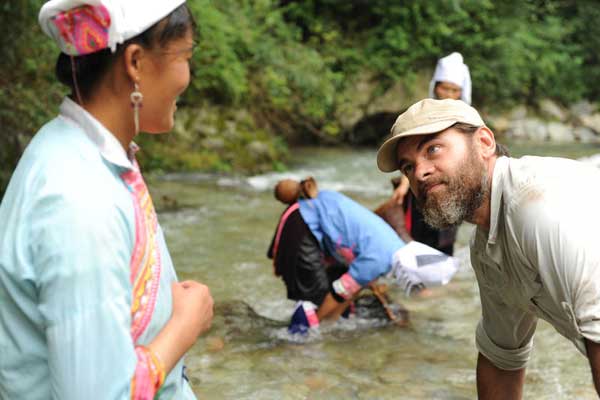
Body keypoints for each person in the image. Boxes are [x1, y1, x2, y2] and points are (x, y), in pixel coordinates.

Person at [0, 1, 213, 399]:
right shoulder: (78, 202)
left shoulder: (74, 149)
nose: (188, 75)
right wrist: (182, 327)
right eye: (185, 56)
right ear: (135, 62)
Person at [376, 98, 600, 398]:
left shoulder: (538, 207)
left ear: (484, 142)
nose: (420, 173)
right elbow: (501, 360)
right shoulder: (487, 246)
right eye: (408, 166)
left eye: (433, 149)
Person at [267, 178, 458, 334]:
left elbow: (350, 291)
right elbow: (338, 293)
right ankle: (298, 337)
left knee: (331, 290)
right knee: (312, 293)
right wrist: (317, 327)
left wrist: (331, 323)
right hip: (303, 221)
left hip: (323, 213)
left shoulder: (395, 248)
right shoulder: (378, 261)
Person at [380, 52, 472, 256]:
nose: (448, 93)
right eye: (444, 87)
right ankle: (421, 278)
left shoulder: (465, 121)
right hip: (423, 184)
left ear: (460, 92)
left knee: (446, 234)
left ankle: (442, 277)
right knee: (420, 231)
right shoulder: (422, 116)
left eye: (454, 89)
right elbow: (411, 154)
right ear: (436, 86)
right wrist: (404, 185)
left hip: (451, 184)